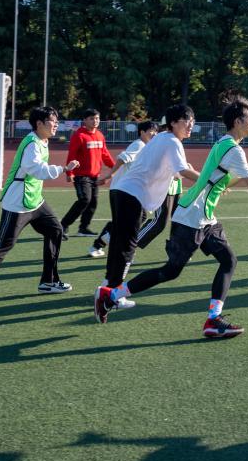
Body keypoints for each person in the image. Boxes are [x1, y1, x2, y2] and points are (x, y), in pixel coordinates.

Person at [95, 96, 248, 338]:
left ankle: (213, 319)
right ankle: (111, 295)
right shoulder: (233, 149)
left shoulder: (223, 144)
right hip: (191, 217)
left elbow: (220, 183)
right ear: (238, 121)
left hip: (204, 216)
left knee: (229, 261)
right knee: (170, 271)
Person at [0, 106, 79, 306]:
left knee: (55, 230)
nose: (56, 124)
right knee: (2, 246)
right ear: (39, 123)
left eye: (57, 121)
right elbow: (37, 170)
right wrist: (63, 169)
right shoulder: (31, 143)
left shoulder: (42, 141)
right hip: (17, 202)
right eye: (52, 121)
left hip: (34, 200)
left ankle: (48, 281)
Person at [96, 105, 200, 310]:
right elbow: (182, 171)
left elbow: (179, 171)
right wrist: (209, 181)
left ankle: (107, 286)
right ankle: (113, 294)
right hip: (131, 195)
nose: (191, 125)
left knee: (118, 244)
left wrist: (197, 174)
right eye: (187, 120)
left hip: (122, 192)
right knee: (126, 247)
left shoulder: (162, 139)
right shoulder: (172, 141)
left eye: (193, 121)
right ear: (173, 122)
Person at [87, 120, 158, 258]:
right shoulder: (139, 145)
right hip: (123, 190)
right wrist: (110, 175)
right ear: (142, 132)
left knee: (131, 219)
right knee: (130, 219)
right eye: (151, 131)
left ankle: (102, 243)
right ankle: (108, 244)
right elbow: (122, 158)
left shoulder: (147, 148)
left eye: (156, 131)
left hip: (127, 190)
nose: (154, 134)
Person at [60, 108, 115, 238]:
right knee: (84, 200)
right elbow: (72, 155)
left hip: (95, 176)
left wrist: (115, 167)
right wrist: (69, 173)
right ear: (84, 120)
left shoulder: (100, 135)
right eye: (91, 118)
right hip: (81, 176)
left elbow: (105, 154)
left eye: (97, 118)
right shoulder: (79, 135)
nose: (95, 121)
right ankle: (63, 225)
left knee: (93, 202)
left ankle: (83, 228)